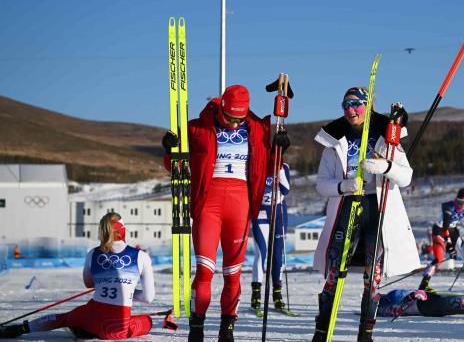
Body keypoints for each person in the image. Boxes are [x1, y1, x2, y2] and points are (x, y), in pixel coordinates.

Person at [161, 84, 289, 342]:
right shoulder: (198, 127)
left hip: (240, 204)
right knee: (205, 271)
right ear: (221, 108)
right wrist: (170, 150)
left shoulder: (258, 130)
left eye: (239, 118)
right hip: (209, 203)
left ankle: (227, 328)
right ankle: (197, 327)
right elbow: (176, 168)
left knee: (233, 274)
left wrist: (280, 148)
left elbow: (270, 168)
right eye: (230, 117)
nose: (233, 123)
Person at [311, 87, 420, 342]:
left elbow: (406, 176)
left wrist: (387, 166)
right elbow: (320, 183)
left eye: (357, 104)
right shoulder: (334, 141)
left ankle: (366, 334)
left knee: (374, 276)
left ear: (368, 106)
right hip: (347, 206)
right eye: (346, 105)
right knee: (334, 272)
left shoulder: (385, 137)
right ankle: (321, 332)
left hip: (377, 208)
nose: (351, 110)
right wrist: (343, 187)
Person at [0, 213, 172, 339]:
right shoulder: (141, 256)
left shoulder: (92, 253)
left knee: (64, 317)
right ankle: (88, 329)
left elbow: (89, 284)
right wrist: (126, 292)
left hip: (91, 313)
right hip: (115, 327)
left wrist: (107, 283)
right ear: (123, 230)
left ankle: (21, 329)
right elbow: (148, 298)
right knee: (147, 321)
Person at [419, 188, 464, 294]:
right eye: (460, 202)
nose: (462, 205)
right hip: (439, 230)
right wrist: (450, 247)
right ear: (456, 200)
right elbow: (445, 227)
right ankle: (423, 285)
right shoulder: (448, 206)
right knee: (439, 259)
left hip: (453, 231)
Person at [251, 162, 291, 313]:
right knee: (261, 253)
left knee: (278, 255)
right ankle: (256, 293)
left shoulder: (284, 166)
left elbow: (286, 190)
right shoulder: (257, 163)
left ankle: (277, 293)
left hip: (279, 213)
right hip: (260, 212)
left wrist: (279, 170)